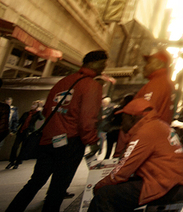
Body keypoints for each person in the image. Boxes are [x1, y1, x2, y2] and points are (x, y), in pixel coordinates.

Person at [4, 50, 108, 212]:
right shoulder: (92, 85)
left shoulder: (63, 82)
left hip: (48, 140)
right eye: (102, 64)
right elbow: (87, 119)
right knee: (58, 188)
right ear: (93, 63)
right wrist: (92, 141)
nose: (103, 68)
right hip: (70, 143)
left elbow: (46, 111)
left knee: (35, 182)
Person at [89, 98, 183, 212]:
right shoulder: (159, 125)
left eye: (123, 118)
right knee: (120, 191)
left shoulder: (145, 131)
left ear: (133, 118)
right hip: (181, 181)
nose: (122, 123)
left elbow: (122, 171)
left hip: (169, 185)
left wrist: (99, 185)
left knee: (105, 194)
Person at [136, 49, 175, 124]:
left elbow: (146, 114)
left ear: (159, 64)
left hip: (147, 132)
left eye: (148, 63)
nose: (145, 66)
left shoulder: (157, 84)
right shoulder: (164, 81)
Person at [6, 101, 43, 169]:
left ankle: (18, 162)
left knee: (23, 148)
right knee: (15, 146)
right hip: (21, 131)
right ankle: (12, 161)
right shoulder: (26, 113)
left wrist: (39, 111)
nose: (32, 106)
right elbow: (19, 122)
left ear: (37, 107)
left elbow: (41, 118)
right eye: (32, 105)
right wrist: (14, 130)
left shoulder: (37, 114)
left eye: (34, 105)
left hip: (28, 132)